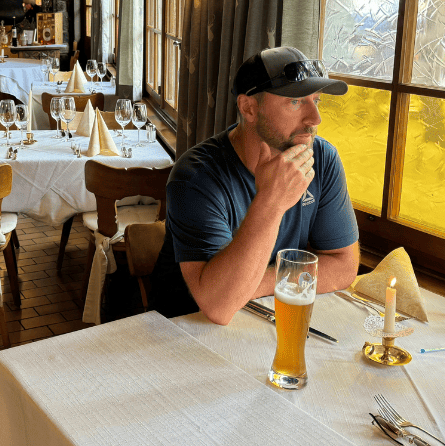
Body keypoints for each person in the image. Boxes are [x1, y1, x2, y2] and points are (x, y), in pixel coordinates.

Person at [151, 46, 360, 324]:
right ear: (249, 108)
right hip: (183, 330)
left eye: (316, 101)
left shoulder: (321, 159)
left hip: (262, 316)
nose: (315, 119)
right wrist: (271, 201)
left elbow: (344, 266)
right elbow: (219, 307)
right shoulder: (195, 176)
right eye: (296, 102)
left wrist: (252, 286)